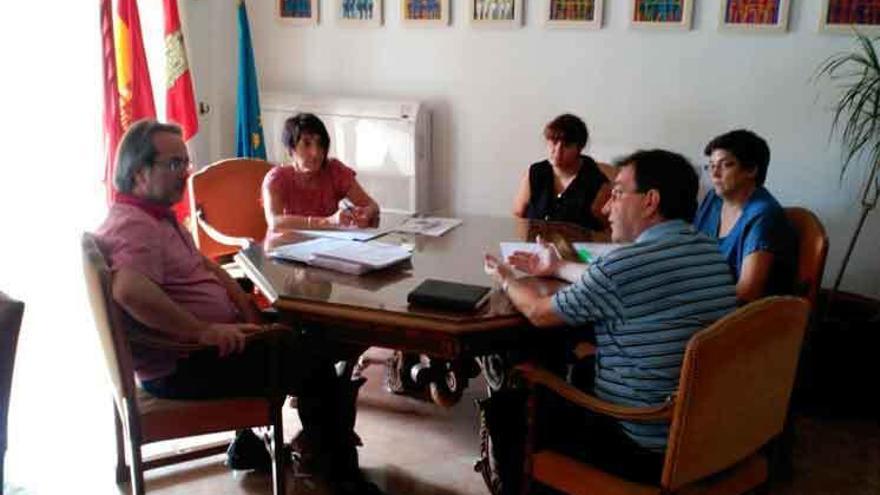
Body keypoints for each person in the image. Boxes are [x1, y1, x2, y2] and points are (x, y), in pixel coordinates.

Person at [95, 120, 376, 493]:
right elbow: (128, 290)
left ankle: (260, 445)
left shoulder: (155, 215)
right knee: (316, 362)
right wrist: (203, 331)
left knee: (314, 337)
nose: (185, 174)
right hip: (187, 362)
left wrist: (244, 306)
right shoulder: (136, 226)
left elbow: (206, 266)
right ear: (140, 172)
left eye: (186, 163)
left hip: (208, 348)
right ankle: (340, 478)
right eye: (174, 164)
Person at [483, 149, 737, 493]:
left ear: (650, 201)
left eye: (616, 193)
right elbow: (620, 279)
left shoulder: (627, 265)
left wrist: (506, 277)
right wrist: (557, 267)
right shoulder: (708, 252)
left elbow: (539, 313)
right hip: (701, 432)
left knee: (509, 408)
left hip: (641, 442)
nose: (606, 207)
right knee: (580, 367)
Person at [694, 129, 796, 303]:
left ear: (751, 170)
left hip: (743, 318)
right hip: (704, 301)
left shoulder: (763, 215)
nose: (715, 173)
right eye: (711, 165)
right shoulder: (713, 199)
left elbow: (746, 294)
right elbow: (690, 253)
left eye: (725, 165)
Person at [262, 113, 380, 234]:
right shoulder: (277, 178)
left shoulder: (335, 170)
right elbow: (275, 222)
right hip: (288, 246)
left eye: (320, 144)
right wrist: (328, 222)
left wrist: (365, 213)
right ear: (291, 149)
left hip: (331, 246)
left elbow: (372, 206)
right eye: (307, 144)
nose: (315, 153)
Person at [512, 113, 614, 231]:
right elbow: (518, 215)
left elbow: (607, 230)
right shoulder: (535, 172)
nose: (558, 151)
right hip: (534, 245)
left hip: (577, 248)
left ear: (579, 148)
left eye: (567, 145)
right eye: (554, 143)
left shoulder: (597, 182)